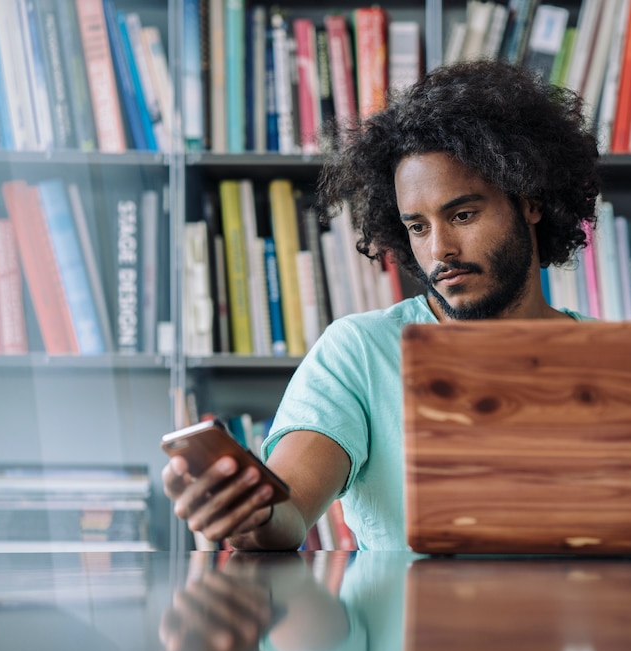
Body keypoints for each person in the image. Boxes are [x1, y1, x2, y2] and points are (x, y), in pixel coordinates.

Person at [162, 59, 602, 551]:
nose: (439, 249)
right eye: (418, 227)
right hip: (411, 626)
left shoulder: (615, 358)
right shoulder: (360, 351)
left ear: (530, 203)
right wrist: (250, 511)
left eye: (462, 214)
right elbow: (287, 508)